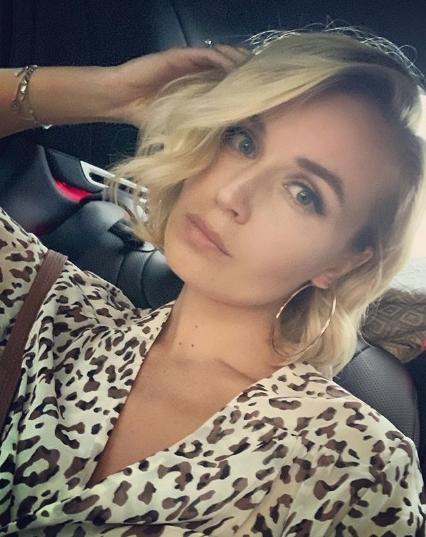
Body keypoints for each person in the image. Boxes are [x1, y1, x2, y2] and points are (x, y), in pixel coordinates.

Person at [0, 26, 425, 536]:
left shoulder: (352, 468)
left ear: (343, 262)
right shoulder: (51, 307)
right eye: (243, 140)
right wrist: (105, 92)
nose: (232, 194)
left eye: (303, 193)